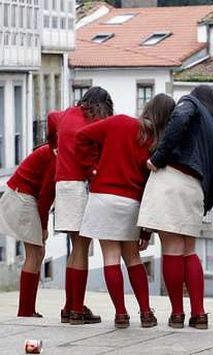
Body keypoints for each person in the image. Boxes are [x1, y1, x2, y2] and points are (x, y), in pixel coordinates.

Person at [75, 93, 175, 328]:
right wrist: (145, 232)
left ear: (146, 108)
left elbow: (82, 136)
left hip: (103, 197)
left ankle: (120, 314)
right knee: (133, 257)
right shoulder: (155, 143)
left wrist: (92, 168)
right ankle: (146, 312)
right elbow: (149, 186)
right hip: (131, 202)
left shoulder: (118, 122)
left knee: (110, 257)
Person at [138, 85, 213, 330]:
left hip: (171, 178)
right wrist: (205, 202)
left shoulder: (191, 103)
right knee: (189, 251)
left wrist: (158, 157)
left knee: (171, 248)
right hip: (195, 189)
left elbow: (178, 119)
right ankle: (199, 313)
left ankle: (177, 313)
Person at [49, 86, 113, 325]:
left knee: (73, 247)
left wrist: (52, 145)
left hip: (62, 185)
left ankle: (69, 307)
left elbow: (51, 118)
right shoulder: (91, 122)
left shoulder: (66, 114)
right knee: (81, 248)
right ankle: (77, 310)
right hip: (79, 185)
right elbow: (88, 158)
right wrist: (94, 173)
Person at [0, 142, 56, 317]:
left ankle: (28, 309)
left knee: (37, 253)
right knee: (35, 253)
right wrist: (44, 227)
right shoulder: (58, 157)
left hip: (22, 195)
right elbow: (46, 196)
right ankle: (25, 311)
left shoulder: (55, 150)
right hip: (22, 196)